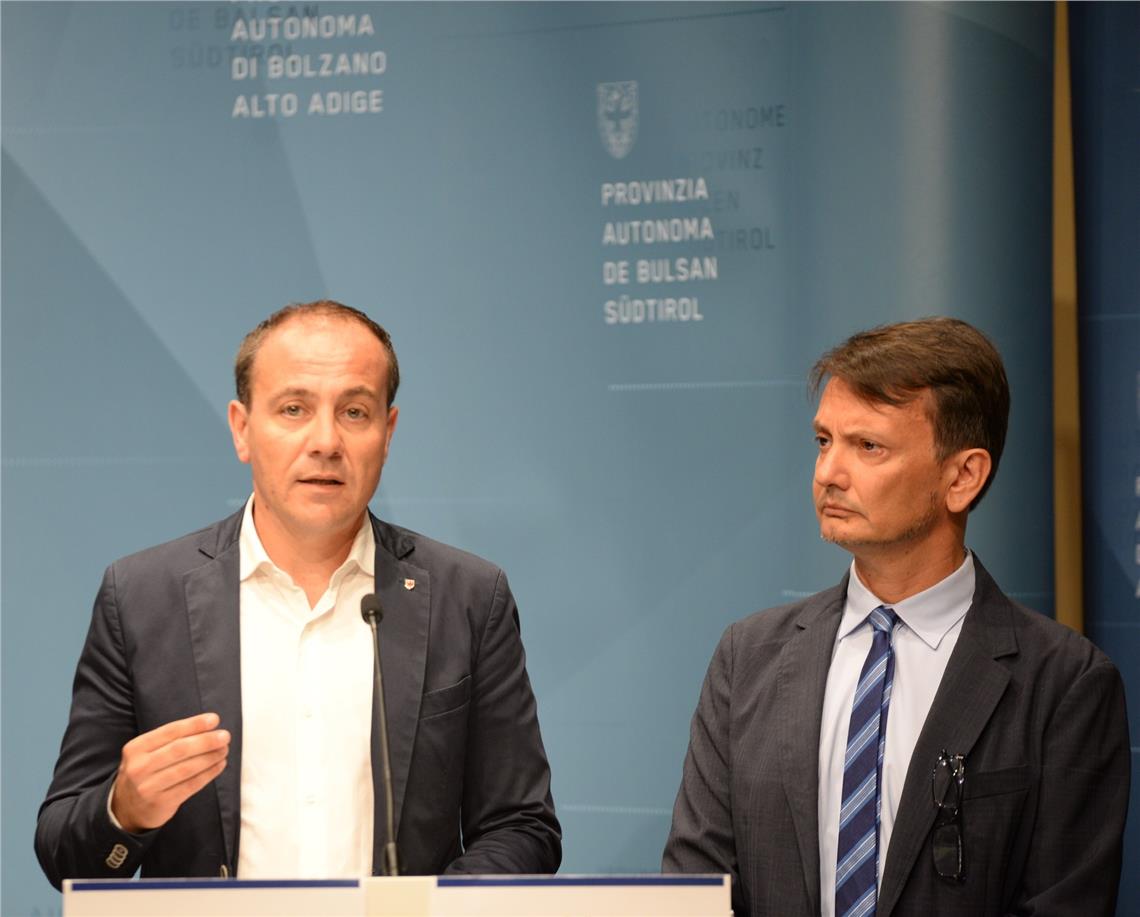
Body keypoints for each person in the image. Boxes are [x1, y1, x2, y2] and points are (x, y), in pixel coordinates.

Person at [36, 300, 560, 886]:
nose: (326, 441)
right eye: (294, 409)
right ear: (242, 428)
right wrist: (124, 811)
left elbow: (522, 828)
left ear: (387, 433)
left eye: (355, 412)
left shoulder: (468, 598)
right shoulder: (141, 598)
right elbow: (63, 854)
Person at [662, 317, 1129, 916]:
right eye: (824, 441)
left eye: (868, 447)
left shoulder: (1065, 684)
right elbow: (697, 889)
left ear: (963, 476)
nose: (828, 474)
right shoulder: (747, 657)